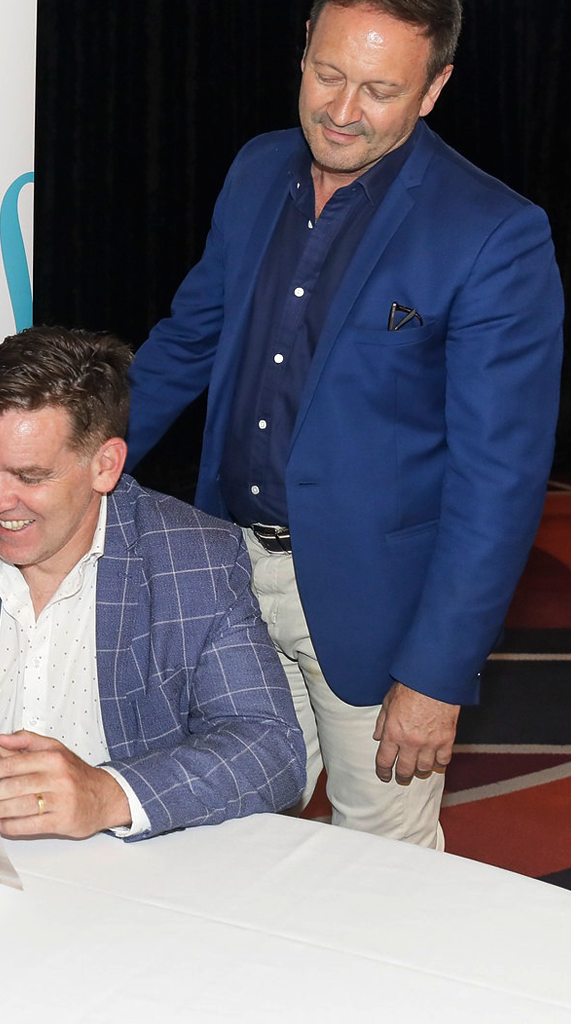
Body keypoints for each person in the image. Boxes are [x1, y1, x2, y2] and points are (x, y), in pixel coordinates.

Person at [124, 0, 562, 848]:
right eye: (328, 75)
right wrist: (73, 463)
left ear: (433, 90)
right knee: (216, 833)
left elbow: (497, 485)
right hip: (226, 580)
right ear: (302, 56)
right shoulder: (257, 170)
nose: (342, 109)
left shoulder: (492, 233)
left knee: (382, 874)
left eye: (378, 89)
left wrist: (434, 675)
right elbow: (185, 344)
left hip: (375, 611)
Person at [0, 328, 304, 840]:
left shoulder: (192, 560)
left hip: (130, 876)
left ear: (104, 465)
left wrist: (105, 794)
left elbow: (268, 745)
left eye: (31, 475)